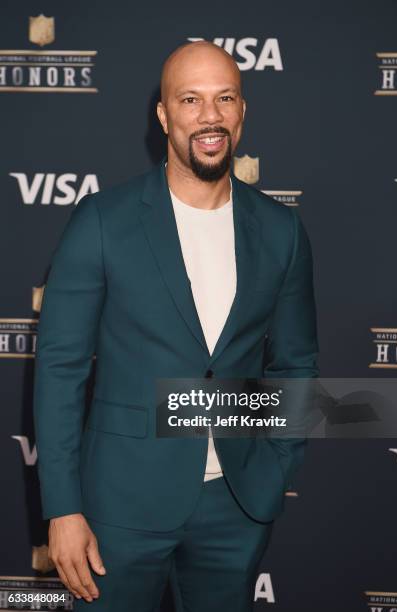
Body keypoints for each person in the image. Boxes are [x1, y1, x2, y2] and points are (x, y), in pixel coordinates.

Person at [33, 40, 319, 611]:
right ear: (164, 115)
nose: (209, 116)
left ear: (242, 111)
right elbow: (60, 368)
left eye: (224, 99)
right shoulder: (102, 222)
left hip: (234, 507)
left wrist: (275, 463)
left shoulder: (281, 231)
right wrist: (63, 509)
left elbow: (295, 363)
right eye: (190, 100)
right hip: (118, 508)